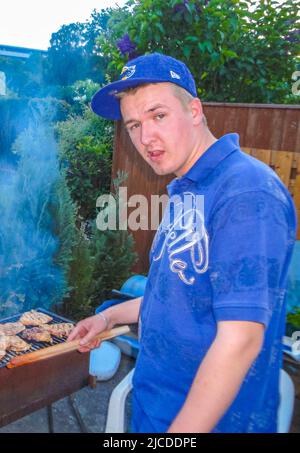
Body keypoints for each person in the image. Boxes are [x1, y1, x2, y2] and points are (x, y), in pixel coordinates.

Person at [68, 53, 297, 433]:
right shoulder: (189, 191)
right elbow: (175, 295)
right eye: (134, 124)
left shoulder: (246, 191)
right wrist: (107, 317)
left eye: (158, 116)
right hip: (154, 409)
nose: (145, 138)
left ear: (194, 110)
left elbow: (240, 339)